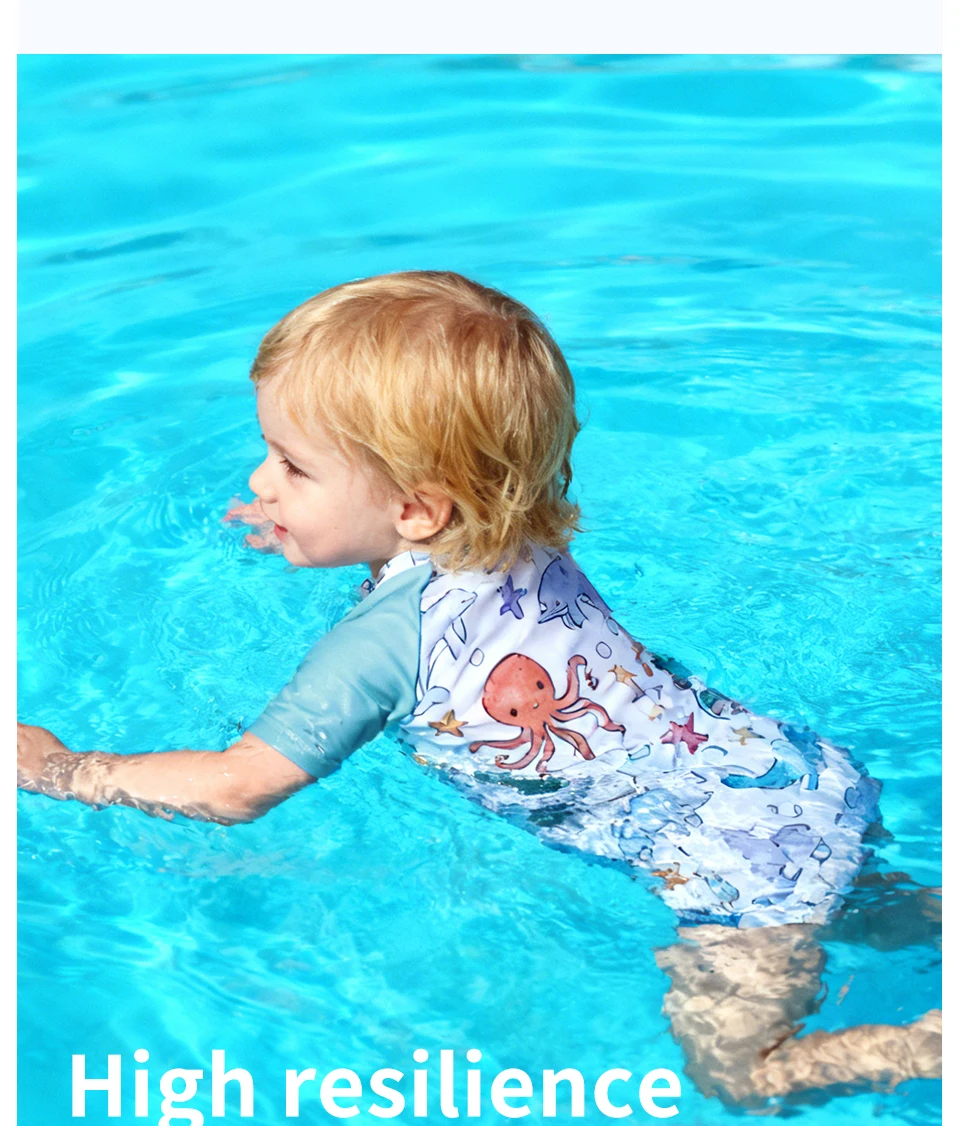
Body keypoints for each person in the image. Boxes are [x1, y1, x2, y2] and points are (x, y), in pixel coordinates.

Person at [17, 271, 941, 1107]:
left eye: (293, 466)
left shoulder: (380, 646)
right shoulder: (516, 524)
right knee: (874, 909)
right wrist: (309, 518)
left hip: (725, 865)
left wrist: (67, 770)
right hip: (785, 774)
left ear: (418, 508)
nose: (262, 479)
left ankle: (930, 1048)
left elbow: (238, 787)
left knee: (740, 1078)